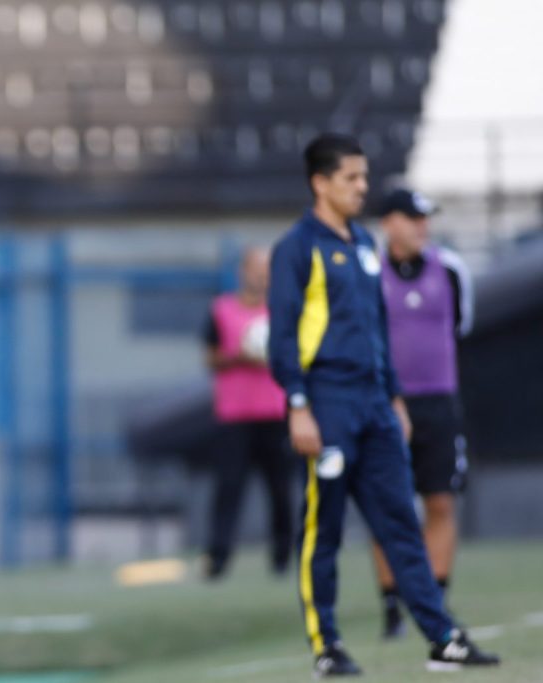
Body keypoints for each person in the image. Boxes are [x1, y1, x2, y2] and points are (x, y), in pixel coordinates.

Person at [267, 133, 498, 676]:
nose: (362, 188)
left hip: (374, 402)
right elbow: (283, 336)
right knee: (322, 528)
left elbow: (377, 330)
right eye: (351, 178)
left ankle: (442, 637)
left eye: (364, 177)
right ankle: (327, 645)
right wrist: (298, 404)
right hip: (328, 404)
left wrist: (393, 395)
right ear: (320, 183)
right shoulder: (297, 249)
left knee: (400, 520)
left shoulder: (365, 247)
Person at [372, 188, 474, 638]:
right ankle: (392, 604)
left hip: (437, 402)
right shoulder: (368, 272)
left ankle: (436, 599)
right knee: (388, 505)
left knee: (440, 500)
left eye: (425, 218)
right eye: (412, 218)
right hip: (383, 403)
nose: (421, 227)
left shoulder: (449, 269)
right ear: (388, 222)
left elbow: (460, 326)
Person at [202, 246, 292, 579]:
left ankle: (282, 556)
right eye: (256, 268)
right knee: (228, 488)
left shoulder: (284, 311)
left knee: (280, 489)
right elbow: (210, 358)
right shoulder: (222, 310)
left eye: (267, 269)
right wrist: (238, 356)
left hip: (275, 414)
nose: (262, 275)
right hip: (234, 416)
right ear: (243, 271)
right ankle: (218, 557)